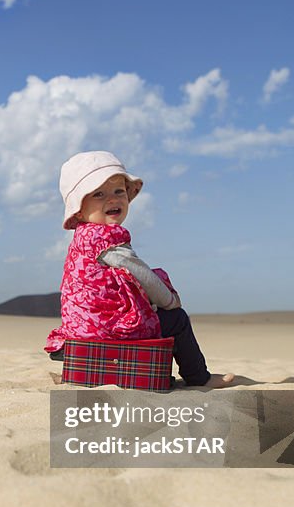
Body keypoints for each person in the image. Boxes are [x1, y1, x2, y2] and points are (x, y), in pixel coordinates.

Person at [45, 151, 235, 389]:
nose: (112, 199)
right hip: (108, 328)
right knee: (176, 320)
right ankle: (199, 377)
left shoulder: (83, 238)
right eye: (99, 194)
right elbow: (141, 275)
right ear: (79, 211)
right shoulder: (107, 239)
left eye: (119, 191)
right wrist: (169, 301)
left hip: (84, 326)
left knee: (150, 314)